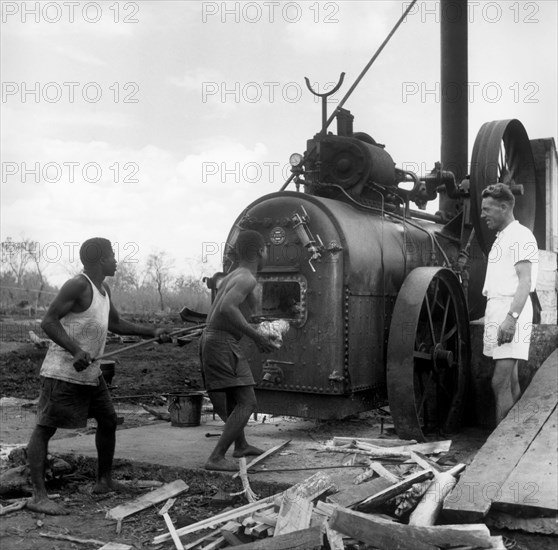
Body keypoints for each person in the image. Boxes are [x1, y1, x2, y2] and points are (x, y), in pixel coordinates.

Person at [27, 238, 170, 515]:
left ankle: (104, 481)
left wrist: (151, 333)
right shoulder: (78, 285)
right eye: (112, 255)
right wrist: (76, 349)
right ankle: (38, 496)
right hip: (62, 372)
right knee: (45, 429)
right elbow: (48, 321)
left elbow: (116, 324)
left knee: (108, 420)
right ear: (100, 259)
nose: (116, 261)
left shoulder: (103, 290)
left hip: (91, 374)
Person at [200, 230, 276, 471]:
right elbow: (226, 308)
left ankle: (240, 445)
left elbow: (233, 308)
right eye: (266, 250)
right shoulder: (247, 278)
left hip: (216, 340)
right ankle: (216, 457)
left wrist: (258, 322)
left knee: (236, 397)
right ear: (261, 251)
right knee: (248, 402)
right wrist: (257, 337)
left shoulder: (235, 275)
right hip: (222, 342)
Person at [480, 183, 538, 425]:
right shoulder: (502, 237)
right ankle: (513, 435)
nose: (483, 215)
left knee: (499, 382)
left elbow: (525, 282)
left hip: (511, 312)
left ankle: (498, 446)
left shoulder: (520, 236)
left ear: (504, 207)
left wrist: (511, 319)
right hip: (499, 311)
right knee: (511, 382)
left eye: (487, 209)